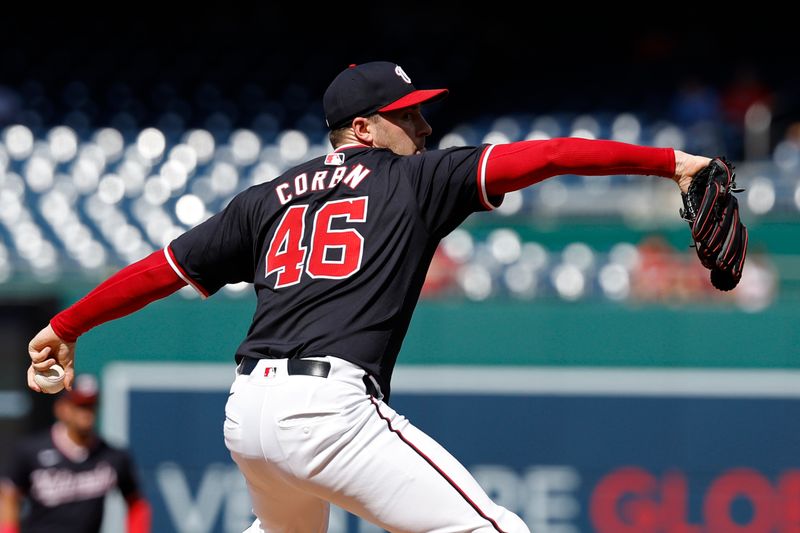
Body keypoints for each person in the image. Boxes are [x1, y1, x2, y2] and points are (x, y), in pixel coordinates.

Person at [26, 61, 712, 532]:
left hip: (248, 410)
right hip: (327, 409)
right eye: (406, 118)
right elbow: (551, 155)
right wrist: (670, 162)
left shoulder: (264, 198)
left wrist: (69, 322)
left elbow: (163, 267)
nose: (423, 130)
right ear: (363, 130)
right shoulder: (415, 179)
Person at [1, 374, 151, 533]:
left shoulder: (112, 456)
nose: (86, 413)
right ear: (62, 409)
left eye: (91, 405)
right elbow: (8, 495)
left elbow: (137, 503)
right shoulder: (32, 451)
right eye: (80, 406)